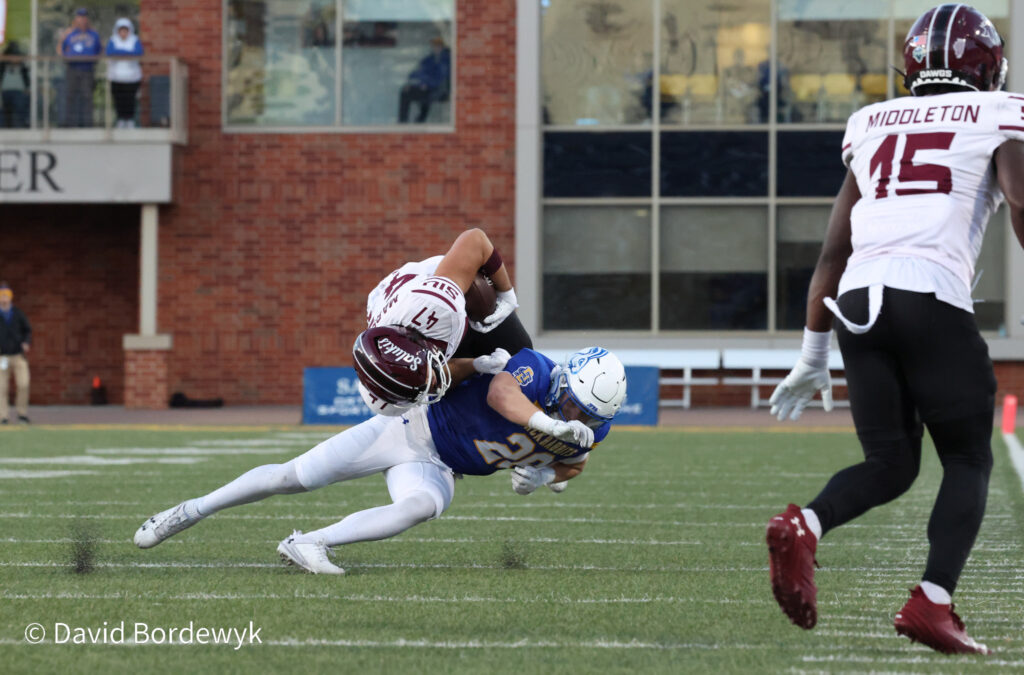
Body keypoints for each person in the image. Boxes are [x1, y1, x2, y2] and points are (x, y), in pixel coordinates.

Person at [764, 4, 1024, 656]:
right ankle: (933, 602)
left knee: (894, 461)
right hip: (928, 293)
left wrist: (811, 353)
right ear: (988, 66)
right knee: (966, 456)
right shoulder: (1001, 111)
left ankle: (806, 524)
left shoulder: (870, 121)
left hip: (858, 302)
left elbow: (832, 250)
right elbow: (1021, 199)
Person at [134, 346, 627, 573]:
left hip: (438, 466)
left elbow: (574, 462)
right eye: (573, 405)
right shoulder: (535, 370)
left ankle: (309, 543)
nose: (573, 415)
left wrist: (543, 475)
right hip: (409, 428)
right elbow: (501, 395)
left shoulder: (587, 427)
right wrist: (546, 426)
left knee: (422, 507)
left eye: (583, 413)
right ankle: (189, 510)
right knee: (292, 477)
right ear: (568, 379)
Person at [357, 228, 529, 415]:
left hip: (448, 292)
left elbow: (475, 240)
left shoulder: (438, 306)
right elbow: (431, 378)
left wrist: (507, 294)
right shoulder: (391, 355)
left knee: (521, 359)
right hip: (419, 322)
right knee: (457, 398)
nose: (429, 386)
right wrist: (476, 364)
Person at [57, 8, 102, 127]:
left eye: (84, 17)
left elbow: (100, 50)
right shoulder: (70, 33)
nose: (82, 19)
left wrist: (93, 60)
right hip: (72, 68)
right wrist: (65, 57)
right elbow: (60, 48)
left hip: (87, 70)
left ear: (87, 19)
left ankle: (88, 124)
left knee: (87, 97)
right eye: (79, 16)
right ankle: (70, 124)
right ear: (76, 19)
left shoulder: (93, 34)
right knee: (71, 96)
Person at [398, 36, 450, 123]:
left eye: (438, 45)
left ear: (442, 46)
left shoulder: (446, 60)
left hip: (439, 91)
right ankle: (404, 121)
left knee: (421, 94)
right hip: (426, 87)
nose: (435, 47)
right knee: (405, 91)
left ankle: (419, 118)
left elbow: (440, 79)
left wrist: (425, 83)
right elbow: (414, 73)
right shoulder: (429, 59)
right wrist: (410, 83)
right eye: (434, 45)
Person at [0, 283, 32, 424]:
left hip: (18, 356)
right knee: (1, 387)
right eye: (2, 296)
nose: (4, 298)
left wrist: (26, 342)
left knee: (23, 384)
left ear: (11, 297)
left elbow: (28, 330)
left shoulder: (18, 314)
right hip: (2, 357)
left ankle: (22, 414)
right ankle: (3, 416)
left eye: (6, 295)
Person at [105, 17, 144, 128]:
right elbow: (110, 52)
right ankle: (120, 119)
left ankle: (129, 119)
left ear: (129, 30)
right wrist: (127, 54)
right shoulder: (113, 40)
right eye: (121, 30)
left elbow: (138, 52)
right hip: (116, 76)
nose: (123, 33)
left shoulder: (134, 40)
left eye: (125, 30)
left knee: (130, 99)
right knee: (118, 99)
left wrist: (120, 54)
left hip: (131, 77)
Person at [0, 42, 31, 128]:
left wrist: (27, 88)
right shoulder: (3, 66)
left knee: (18, 114)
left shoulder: (22, 67)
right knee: (6, 113)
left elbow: (27, 79)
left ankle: (18, 128)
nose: (14, 59)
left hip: (19, 91)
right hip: (5, 91)